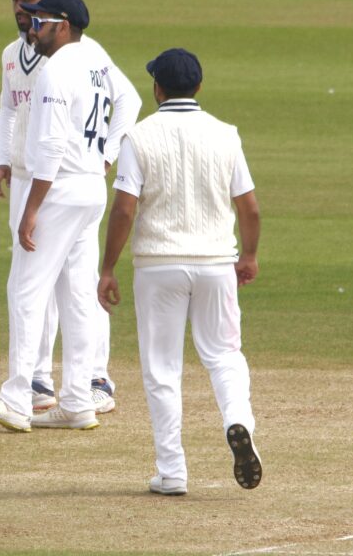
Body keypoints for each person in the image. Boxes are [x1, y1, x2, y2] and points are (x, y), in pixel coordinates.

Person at [98, 48, 263, 496]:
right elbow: (248, 205)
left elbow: (124, 209)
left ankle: (172, 472)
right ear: (199, 87)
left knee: (162, 368)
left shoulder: (138, 136)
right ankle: (237, 421)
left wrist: (108, 266)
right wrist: (248, 256)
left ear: (157, 88)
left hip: (158, 266)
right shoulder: (225, 134)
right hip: (215, 263)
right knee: (225, 355)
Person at [0, 0, 135, 433]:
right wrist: (106, 154)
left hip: (60, 188)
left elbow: (48, 148)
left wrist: (31, 210)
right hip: (89, 188)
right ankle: (79, 400)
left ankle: (15, 398)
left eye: (40, 20)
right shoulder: (95, 56)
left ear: (62, 25)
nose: (31, 26)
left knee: (25, 288)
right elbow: (130, 101)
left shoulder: (54, 71)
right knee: (79, 294)